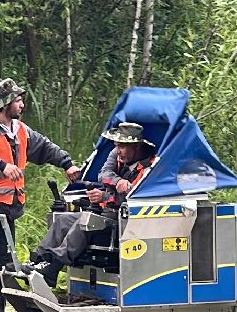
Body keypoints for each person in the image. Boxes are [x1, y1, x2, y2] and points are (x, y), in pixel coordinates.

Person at [0, 78, 79, 312]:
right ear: (6, 104)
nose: (22, 104)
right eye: (19, 100)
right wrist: (2, 166)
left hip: (7, 209)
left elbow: (45, 147)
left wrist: (67, 163)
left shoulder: (20, 130)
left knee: (3, 264)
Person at [27, 121, 156, 290]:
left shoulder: (148, 168)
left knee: (86, 222)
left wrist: (104, 195)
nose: (118, 150)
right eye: (117, 145)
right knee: (63, 220)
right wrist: (116, 184)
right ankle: (39, 260)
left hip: (124, 222)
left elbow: (132, 198)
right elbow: (104, 174)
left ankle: (54, 266)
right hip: (106, 213)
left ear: (136, 146)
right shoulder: (117, 153)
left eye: (123, 146)